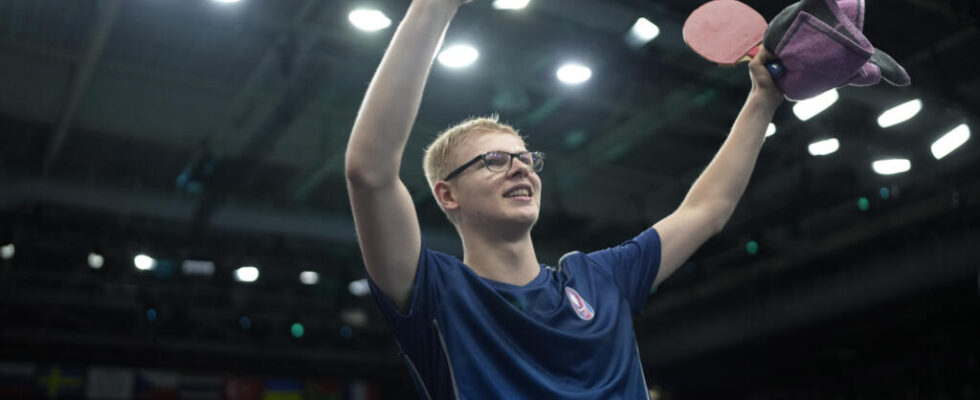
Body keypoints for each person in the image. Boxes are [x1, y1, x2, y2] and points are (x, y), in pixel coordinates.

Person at [344, 0, 783, 398]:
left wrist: (762, 100)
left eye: (526, 158)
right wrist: (434, 8)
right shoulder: (433, 292)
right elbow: (370, 172)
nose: (521, 168)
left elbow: (706, 211)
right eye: (494, 160)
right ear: (447, 194)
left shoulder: (600, 280)